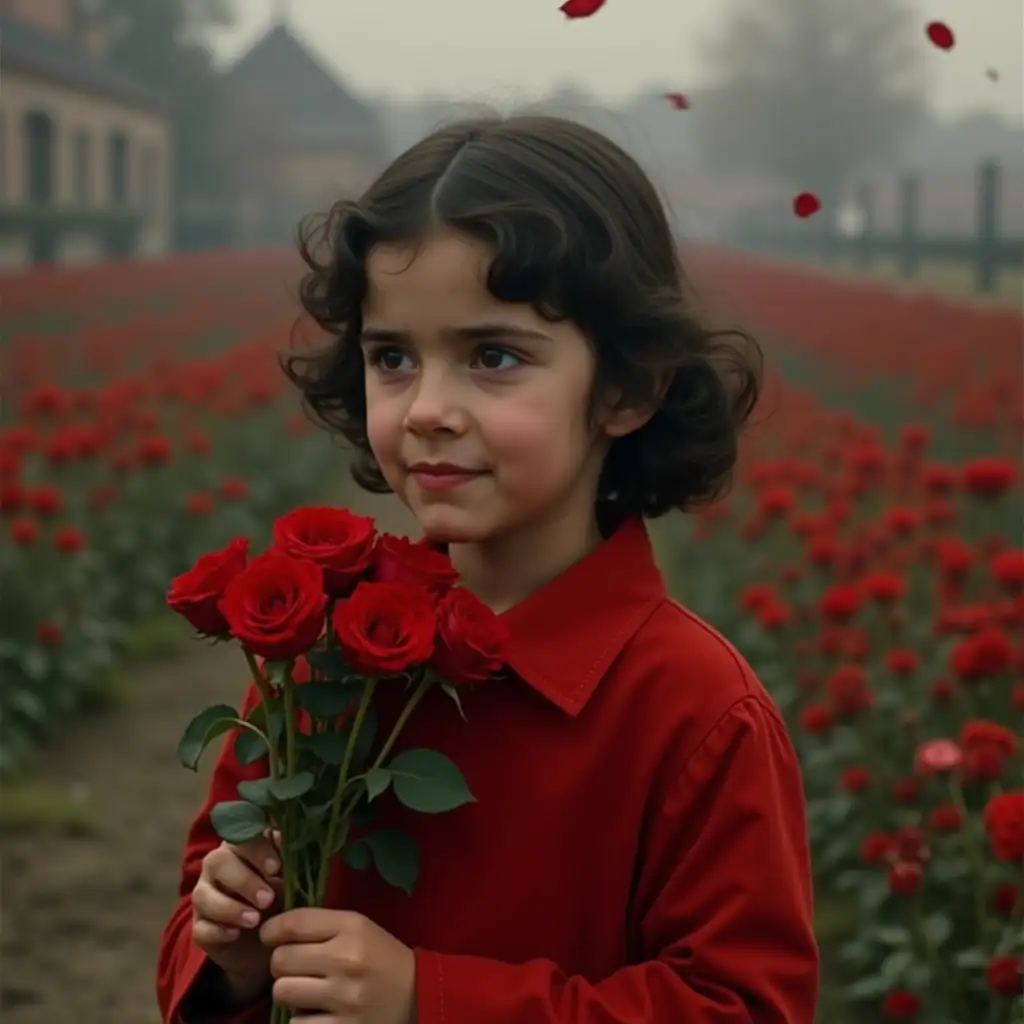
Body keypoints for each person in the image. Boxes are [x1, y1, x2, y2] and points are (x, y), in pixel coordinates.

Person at [156, 113, 819, 1024]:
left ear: (629, 387)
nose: (427, 407)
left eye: (493, 356)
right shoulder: (314, 660)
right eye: (392, 357)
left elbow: (742, 1006)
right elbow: (190, 939)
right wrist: (230, 957)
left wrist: (432, 1001)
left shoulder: (699, 714)